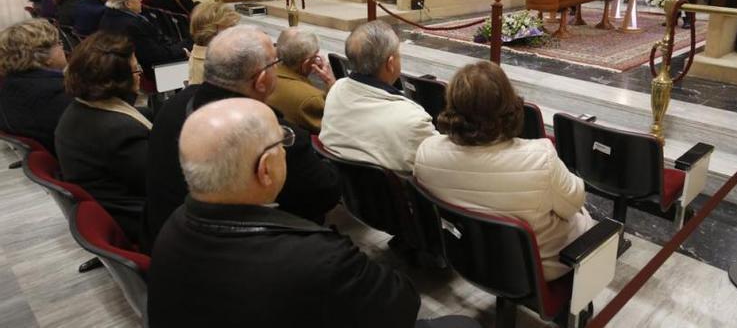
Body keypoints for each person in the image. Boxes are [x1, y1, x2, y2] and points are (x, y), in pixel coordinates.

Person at [147, 98, 423, 328]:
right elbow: (402, 303)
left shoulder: (171, 228)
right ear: (265, 169)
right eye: (283, 142)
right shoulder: (317, 259)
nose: (286, 149)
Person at [143, 25, 341, 251]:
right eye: (276, 63)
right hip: (236, 256)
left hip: (169, 241)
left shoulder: (170, 107)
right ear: (261, 79)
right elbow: (326, 193)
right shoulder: (274, 136)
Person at [414, 61, 594, 281]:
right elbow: (574, 204)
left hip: (465, 254)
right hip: (534, 270)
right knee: (585, 220)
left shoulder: (426, 151)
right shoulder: (540, 158)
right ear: (508, 105)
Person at [55, 32, 150, 243]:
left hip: (113, 207)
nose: (140, 73)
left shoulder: (79, 108)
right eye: (135, 69)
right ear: (115, 80)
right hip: (139, 220)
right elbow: (160, 183)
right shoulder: (120, 131)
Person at [320, 21, 435, 172]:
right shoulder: (413, 119)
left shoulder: (335, 89)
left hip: (345, 190)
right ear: (390, 63)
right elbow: (437, 169)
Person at [0, 19, 71, 155]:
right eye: (59, 44)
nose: (64, 49)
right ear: (45, 57)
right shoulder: (58, 94)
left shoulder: (9, 86)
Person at [100, 0, 190, 77]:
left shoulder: (108, 17)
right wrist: (182, 51)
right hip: (150, 70)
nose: (141, 0)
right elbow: (154, 55)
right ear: (128, 4)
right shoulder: (131, 25)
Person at [266, 28, 335, 134]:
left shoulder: (263, 78)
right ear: (306, 63)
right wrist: (331, 83)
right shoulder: (311, 99)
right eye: (315, 57)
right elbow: (336, 125)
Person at [187, 2, 240, 85]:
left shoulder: (197, 51)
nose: (234, 33)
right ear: (210, 31)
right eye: (229, 28)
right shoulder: (215, 64)